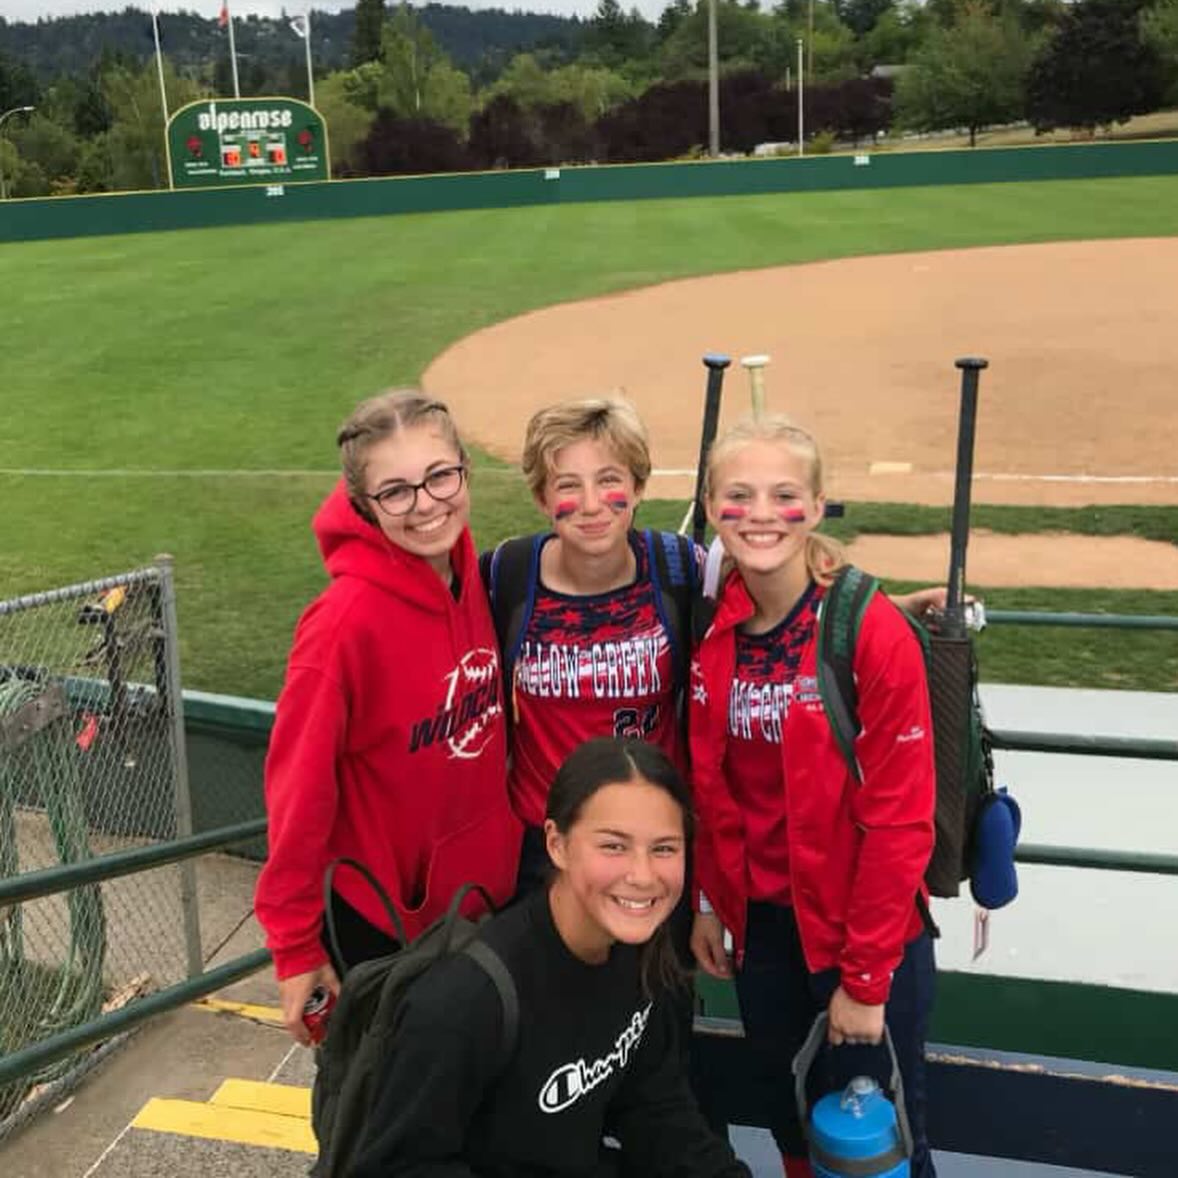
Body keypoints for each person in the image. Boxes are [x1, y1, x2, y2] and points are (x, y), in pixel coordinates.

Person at [688, 414, 938, 1178]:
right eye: (739, 495)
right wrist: (709, 903)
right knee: (794, 1129)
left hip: (861, 940)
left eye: (784, 494)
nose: (761, 514)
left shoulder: (868, 630)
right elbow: (712, 785)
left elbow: (900, 823)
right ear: (710, 506)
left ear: (818, 506)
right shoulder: (712, 622)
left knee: (874, 1151)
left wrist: (863, 982)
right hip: (764, 937)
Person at [349, 737, 752, 1178]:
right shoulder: (464, 1003)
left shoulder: (638, 949)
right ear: (556, 844)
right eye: (613, 846)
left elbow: (656, 1108)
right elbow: (395, 1166)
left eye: (664, 848)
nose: (643, 875)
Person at [255, 390, 521, 1045]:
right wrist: (294, 948)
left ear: (465, 471)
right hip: (387, 928)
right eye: (396, 491)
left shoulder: (469, 576)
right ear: (363, 504)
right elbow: (297, 792)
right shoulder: (340, 627)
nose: (426, 504)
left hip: (480, 904)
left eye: (439, 476)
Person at [487, 396, 699, 895]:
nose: (590, 504)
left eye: (609, 480)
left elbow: (774, 605)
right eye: (567, 485)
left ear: (638, 487)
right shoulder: (504, 575)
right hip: (546, 849)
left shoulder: (680, 566)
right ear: (541, 498)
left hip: (651, 842)